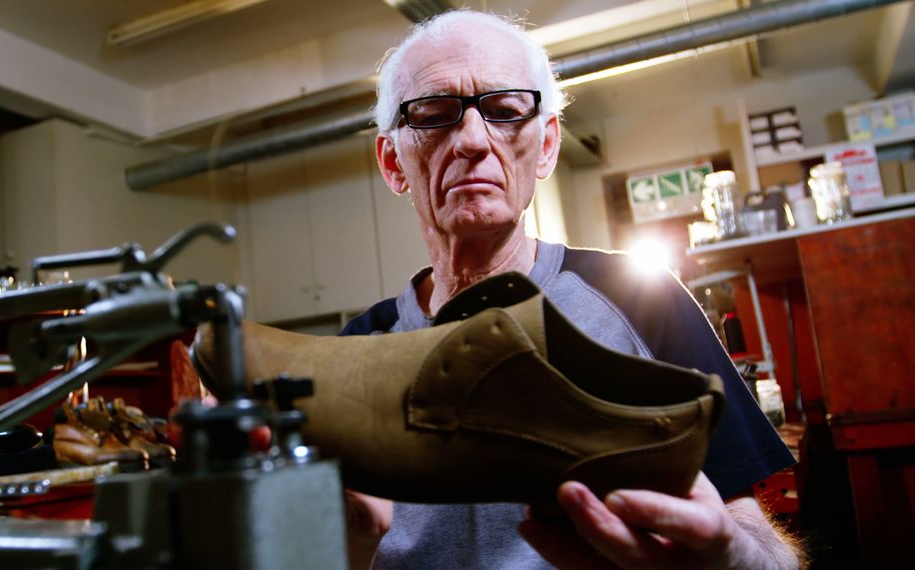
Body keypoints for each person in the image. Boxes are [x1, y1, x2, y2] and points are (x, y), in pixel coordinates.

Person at [339, 9, 803, 569]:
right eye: (435, 116)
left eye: (506, 111)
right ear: (393, 162)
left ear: (548, 146)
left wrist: (726, 553)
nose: (471, 140)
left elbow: (766, 553)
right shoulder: (354, 356)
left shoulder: (642, 300)